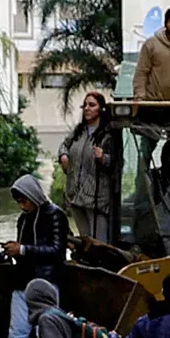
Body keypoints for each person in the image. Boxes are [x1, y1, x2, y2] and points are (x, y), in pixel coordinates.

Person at [0, 173, 72, 338]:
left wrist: (22, 250)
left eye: (24, 201)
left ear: (33, 196)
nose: (22, 206)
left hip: (46, 284)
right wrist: (14, 251)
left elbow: (57, 251)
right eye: (19, 202)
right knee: (16, 336)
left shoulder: (55, 215)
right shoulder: (23, 219)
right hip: (23, 283)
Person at [59, 92, 117, 243]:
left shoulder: (107, 135)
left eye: (92, 105)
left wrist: (103, 157)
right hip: (75, 196)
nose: (87, 108)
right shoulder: (78, 131)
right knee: (84, 242)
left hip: (96, 199)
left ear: (100, 109)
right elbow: (64, 145)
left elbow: (116, 163)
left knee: (99, 244)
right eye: (85, 105)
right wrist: (63, 156)